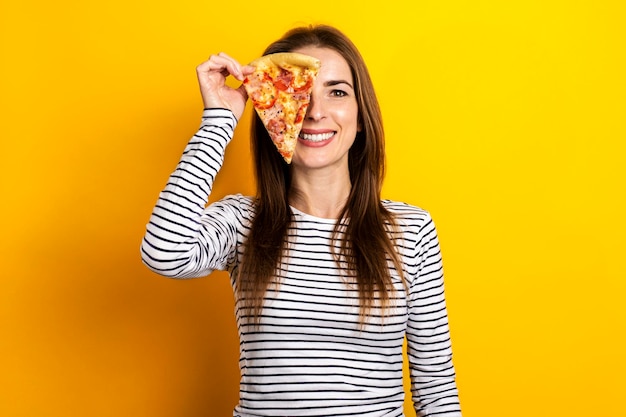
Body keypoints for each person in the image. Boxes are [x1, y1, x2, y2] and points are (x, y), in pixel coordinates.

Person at [141, 24, 462, 417]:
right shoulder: (242, 221)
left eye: (337, 91)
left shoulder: (410, 230)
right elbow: (163, 252)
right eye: (298, 93)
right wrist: (218, 121)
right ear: (273, 114)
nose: (315, 110)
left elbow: (436, 389)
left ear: (361, 117)